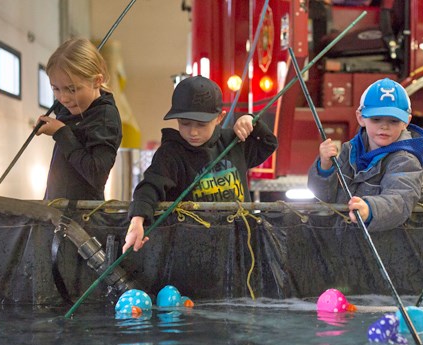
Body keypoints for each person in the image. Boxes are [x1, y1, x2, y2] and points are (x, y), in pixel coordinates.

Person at [123, 76, 278, 252]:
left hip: (238, 245)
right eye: (185, 123)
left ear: (220, 117)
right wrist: (137, 219)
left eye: (201, 124)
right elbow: (150, 186)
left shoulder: (234, 143)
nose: (193, 132)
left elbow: (268, 144)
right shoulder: (170, 153)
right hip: (190, 248)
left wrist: (252, 121)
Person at [307, 78, 423, 232]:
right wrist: (325, 167)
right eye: (376, 119)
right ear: (360, 117)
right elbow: (322, 199)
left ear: (406, 122)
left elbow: (400, 200)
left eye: (393, 120)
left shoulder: (406, 160)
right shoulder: (349, 149)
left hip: (388, 250)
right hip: (344, 244)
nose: (384, 126)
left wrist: (370, 210)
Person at [36, 38, 122, 200]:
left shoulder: (104, 117)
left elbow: (97, 175)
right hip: (56, 210)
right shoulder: (69, 108)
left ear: (97, 81)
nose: (63, 98)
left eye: (72, 89)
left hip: (83, 218)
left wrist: (61, 132)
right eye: (56, 89)